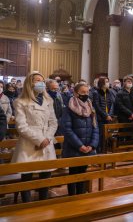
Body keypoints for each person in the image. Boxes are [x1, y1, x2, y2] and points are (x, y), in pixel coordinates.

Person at [11, 72, 58, 202]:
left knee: (45, 177)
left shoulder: (49, 100)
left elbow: (53, 122)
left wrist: (47, 138)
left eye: (42, 81)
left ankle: (43, 205)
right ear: (29, 83)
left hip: (47, 143)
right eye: (38, 80)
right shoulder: (20, 102)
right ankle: (27, 207)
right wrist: (39, 139)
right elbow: (21, 126)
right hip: (29, 144)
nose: (41, 83)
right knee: (27, 180)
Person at [62, 83, 99, 195]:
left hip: (87, 147)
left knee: (83, 173)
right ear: (75, 93)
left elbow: (95, 128)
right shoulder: (69, 108)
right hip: (73, 148)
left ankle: (80, 195)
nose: (86, 94)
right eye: (83, 92)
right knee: (73, 174)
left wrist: (92, 145)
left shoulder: (90, 107)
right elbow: (67, 130)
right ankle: (72, 198)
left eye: (87, 92)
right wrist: (80, 146)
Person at [92, 77, 115, 152]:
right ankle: (99, 152)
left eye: (108, 81)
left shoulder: (110, 92)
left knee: (106, 136)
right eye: (106, 81)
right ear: (102, 83)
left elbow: (112, 104)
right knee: (100, 135)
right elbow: (97, 106)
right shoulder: (96, 92)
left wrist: (110, 115)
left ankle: (105, 151)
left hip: (108, 117)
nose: (108, 83)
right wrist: (106, 115)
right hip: (100, 118)